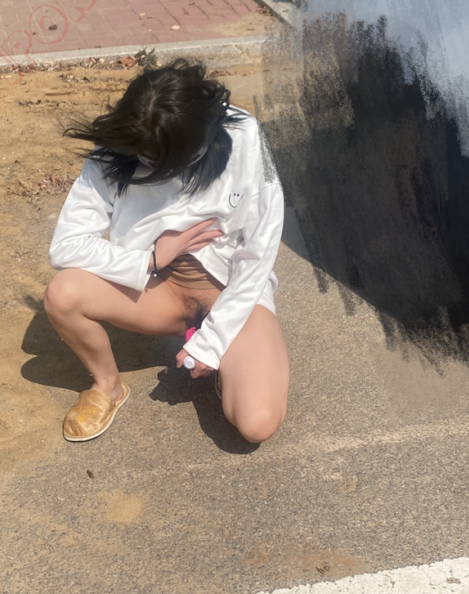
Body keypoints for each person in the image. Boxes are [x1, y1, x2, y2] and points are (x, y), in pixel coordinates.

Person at [44, 59, 290, 445]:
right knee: (63, 293)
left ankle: (229, 361)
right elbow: (65, 246)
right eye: (149, 160)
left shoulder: (244, 134)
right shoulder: (118, 149)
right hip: (158, 291)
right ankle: (107, 386)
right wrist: (152, 259)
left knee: (256, 424)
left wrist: (213, 341)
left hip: (231, 292)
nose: (163, 173)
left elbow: (260, 247)